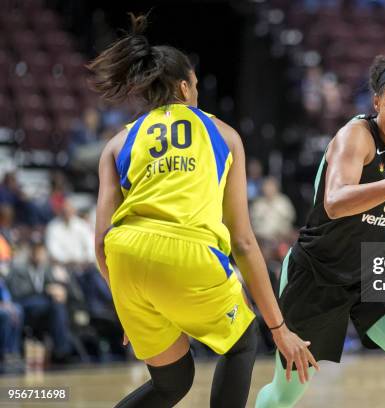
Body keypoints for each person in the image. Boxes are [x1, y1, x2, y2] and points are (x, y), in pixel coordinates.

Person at [89, 14, 317, 408]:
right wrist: (279, 328)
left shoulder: (118, 142)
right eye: (195, 84)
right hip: (188, 251)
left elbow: (99, 242)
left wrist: (125, 301)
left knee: (172, 382)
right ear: (184, 86)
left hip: (124, 258)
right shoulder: (224, 134)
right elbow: (243, 242)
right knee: (242, 343)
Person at [256, 55, 385, 408]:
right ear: (377, 101)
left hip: (375, 270)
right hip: (317, 273)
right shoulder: (356, 136)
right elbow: (335, 201)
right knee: (285, 395)